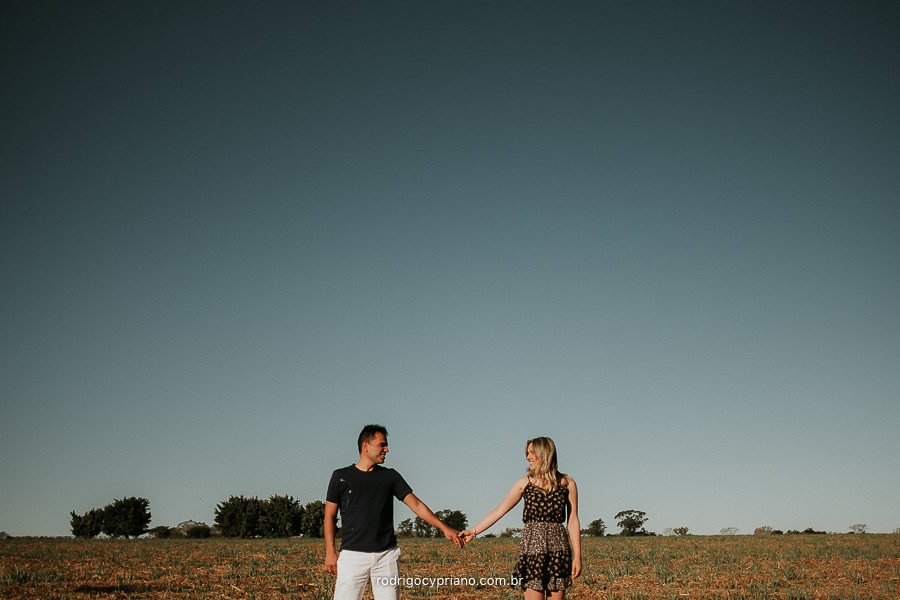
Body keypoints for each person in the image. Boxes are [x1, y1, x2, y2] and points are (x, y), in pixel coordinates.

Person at [324, 424, 464, 600]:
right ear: (365, 446)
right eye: (382, 445)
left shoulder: (390, 476)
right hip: (352, 556)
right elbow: (329, 516)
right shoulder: (341, 476)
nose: (386, 450)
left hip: (386, 557)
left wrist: (444, 528)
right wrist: (330, 551)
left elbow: (417, 505)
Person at [461, 437, 582, 599]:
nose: (528, 457)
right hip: (532, 550)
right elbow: (498, 511)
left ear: (544, 453)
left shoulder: (567, 484)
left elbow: (572, 520)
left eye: (532, 453)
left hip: (558, 551)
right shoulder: (524, 483)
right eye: (527, 453)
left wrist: (577, 556)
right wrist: (473, 531)